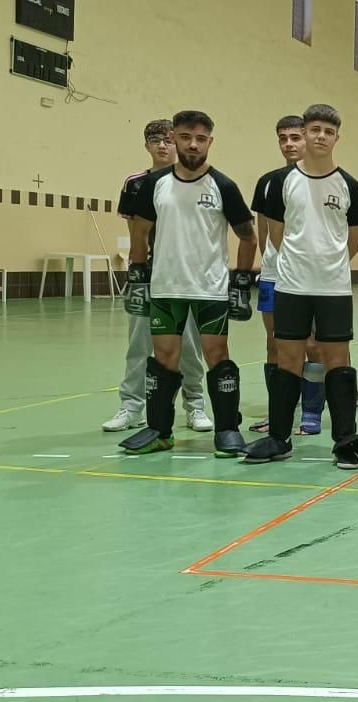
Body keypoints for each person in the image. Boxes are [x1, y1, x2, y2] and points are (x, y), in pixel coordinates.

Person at [117, 110, 258, 458]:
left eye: (200, 138)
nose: (192, 144)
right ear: (175, 138)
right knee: (163, 359)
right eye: (185, 137)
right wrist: (137, 274)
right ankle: (159, 431)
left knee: (217, 356)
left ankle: (227, 430)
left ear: (210, 141)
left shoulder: (223, 186)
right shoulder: (154, 184)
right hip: (165, 288)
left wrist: (240, 281)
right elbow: (140, 231)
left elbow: (248, 236)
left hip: (209, 289)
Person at [244, 104, 358, 470]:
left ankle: (345, 439)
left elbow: (356, 238)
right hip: (291, 285)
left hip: (334, 288)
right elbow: (277, 234)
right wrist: (300, 264)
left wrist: (327, 264)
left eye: (328, 131)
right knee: (287, 360)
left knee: (337, 361)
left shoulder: (349, 185)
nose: (320, 136)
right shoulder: (282, 183)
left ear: (336, 137)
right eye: (314, 129)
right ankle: (279, 438)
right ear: (306, 131)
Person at [103, 119, 211, 434]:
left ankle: (195, 405)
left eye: (167, 140)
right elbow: (134, 229)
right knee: (139, 344)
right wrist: (139, 269)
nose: (162, 146)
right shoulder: (134, 183)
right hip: (147, 275)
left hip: (186, 276)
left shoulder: (196, 180)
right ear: (146, 145)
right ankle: (131, 406)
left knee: (189, 344)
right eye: (155, 141)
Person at [249, 117, 329, 436]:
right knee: (274, 345)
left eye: (295, 137)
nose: (289, 144)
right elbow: (264, 231)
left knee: (312, 344)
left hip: (311, 276)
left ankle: (311, 413)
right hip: (274, 274)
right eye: (283, 138)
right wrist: (270, 264)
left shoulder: (323, 179)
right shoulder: (268, 182)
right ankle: (278, 412)